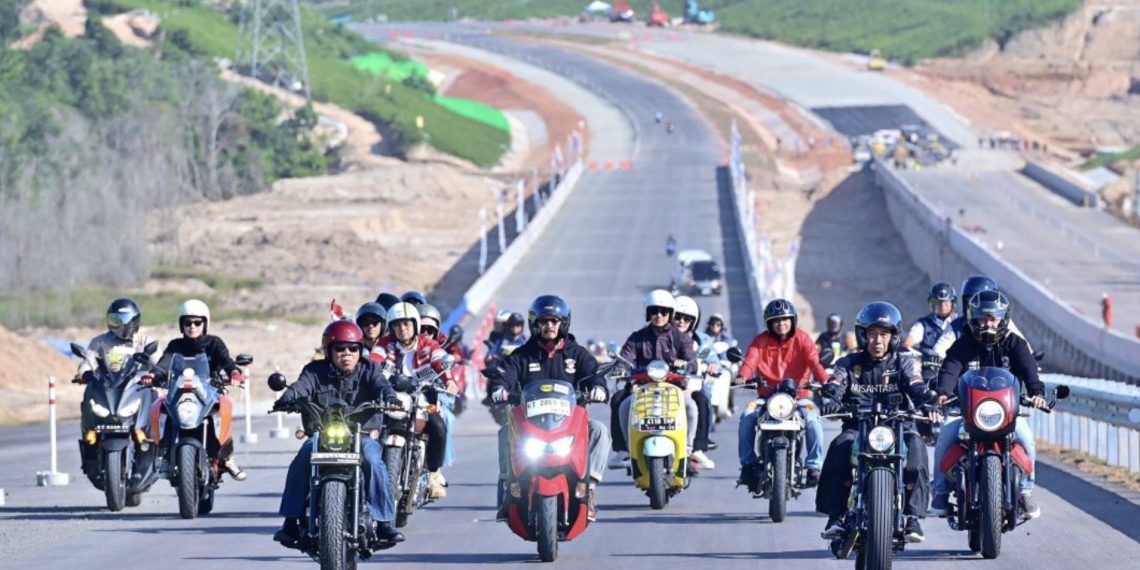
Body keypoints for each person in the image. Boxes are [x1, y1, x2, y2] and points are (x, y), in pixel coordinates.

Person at [272, 321, 404, 548]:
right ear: (329, 350)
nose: (347, 354)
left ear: (360, 350)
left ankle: (383, 522)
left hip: (360, 435)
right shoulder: (315, 371)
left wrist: (391, 399)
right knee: (301, 460)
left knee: (373, 461)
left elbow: (382, 386)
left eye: (353, 348)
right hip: (322, 435)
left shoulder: (369, 369)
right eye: (340, 348)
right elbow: (302, 386)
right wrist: (288, 397)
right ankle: (291, 522)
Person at [816, 301, 934, 543]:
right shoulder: (848, 363)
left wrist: (927, 400)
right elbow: (835, 384)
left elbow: (916, 384)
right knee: (839, 446)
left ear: (893, 337)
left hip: (899, 428)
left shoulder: (903, 363)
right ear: (862, 335)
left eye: (884, 334)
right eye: (872, 334)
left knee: (918, 449)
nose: (878, 341)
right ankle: (836, 516)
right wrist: (829, 396)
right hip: (857, 428)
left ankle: (913, 517)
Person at [489, 295, 611, 522]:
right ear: (535, 324)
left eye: (554, 321)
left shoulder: (577, 353)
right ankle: (509, 489)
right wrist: (499, 388)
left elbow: (595, 375)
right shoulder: (523, 355)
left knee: (599, 430)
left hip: (570, 425)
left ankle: (590, 488)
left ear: (563, 323)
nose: (549, 326)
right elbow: (503, 375)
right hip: (530, 427)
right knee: (505, 432)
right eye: (544, 321)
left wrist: (598, 388)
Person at [929, 290, 1047, 520]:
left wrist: (1037, 393)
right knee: (945, 435)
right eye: (982, 318)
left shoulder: (1015, 344)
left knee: (1026, 439)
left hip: (1007, 413)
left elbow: (1029, 371)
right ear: (973, 318)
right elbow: (950, 369)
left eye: (993, 319)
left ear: (1003, 319)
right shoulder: (963, 343)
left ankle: (1025, 491)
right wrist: (942, 392)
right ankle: (940, 492)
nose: (988, 324)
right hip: (966, 411)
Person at [734, 299, 828, 489]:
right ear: (769, 323)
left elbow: (814, 363)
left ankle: (814, 466)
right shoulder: (760, 341)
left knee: (813, 420)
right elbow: (750, 360)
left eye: (785, 319)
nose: (781, 324)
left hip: (799, 398)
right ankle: (748, 465)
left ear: (793, 320)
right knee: (746, 417)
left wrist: (826, 382)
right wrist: (742, 376)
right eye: (776, 320)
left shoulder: (803, 339)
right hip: (767, 398)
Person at [154, 299, 247, 481]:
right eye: (187, 322)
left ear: (205, 323)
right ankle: (164, 456)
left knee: (225, 405)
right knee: (159, 407)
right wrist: (153, 375)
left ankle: (226, 457)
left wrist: (234, 373)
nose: (192, 326)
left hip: (209, 390)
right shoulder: (175, 345)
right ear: (182, 324)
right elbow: (164, 363)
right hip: (180, 391)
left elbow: (226, 360)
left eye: (197, 322)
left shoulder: (214, 343)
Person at [607, 289, 698, 469]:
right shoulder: (637, 338)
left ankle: (687, 448)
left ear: (670, 314)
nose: (659, 315)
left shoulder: (681, 338)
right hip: (643, 388)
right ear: (648, 313)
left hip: (674, 388)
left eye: (663, 312)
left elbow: (692, 361)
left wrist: (685, 364)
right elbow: (625, 358)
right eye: (654, 311)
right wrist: (620, 370)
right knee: (622, 404)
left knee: (691, 406)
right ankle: (626, 450)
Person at [376, 302, 456, 499]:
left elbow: (439, 361)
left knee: (438, 426)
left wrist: (450, 381)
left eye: (407, 324)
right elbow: (374, 362)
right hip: (391, 397)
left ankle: (432, 471)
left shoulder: (428, 345)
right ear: (391, 327)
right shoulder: (385, 345)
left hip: (422, 396)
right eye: (398, 325)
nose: (402, 329)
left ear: (415, 325)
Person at [672, 296, 717, 469]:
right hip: (663, 384)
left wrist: (712, 366)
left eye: (686, 318)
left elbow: (712, 360)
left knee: (702, 399)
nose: (681, 321)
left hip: (692, 385)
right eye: (678, 317)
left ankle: (698, 447)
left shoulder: (702, 341)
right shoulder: (661, 336)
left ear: (694, 321)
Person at [75, 298, 158, 380]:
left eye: (126, 321)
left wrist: (153, 376)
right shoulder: (100, 342)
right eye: (116, 321)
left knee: (156, 392)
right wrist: (86, 374)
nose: (122, 327)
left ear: (135, 321)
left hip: (138, 388)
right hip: (108, 386)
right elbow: (88, 361)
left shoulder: (146, 342)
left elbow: (160, 366)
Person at [903, 282, 958, 353]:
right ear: (932, 304)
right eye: (938, 302)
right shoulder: (923, 324)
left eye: (946, 302)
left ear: (953, 303)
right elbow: (908, 343)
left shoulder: (959, 324)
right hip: (927, 363)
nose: (942, 305)